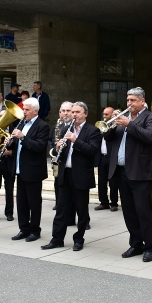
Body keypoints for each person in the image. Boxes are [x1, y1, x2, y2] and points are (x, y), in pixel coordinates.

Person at [104, 87, 152, 262]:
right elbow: (108, 138)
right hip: (121, 171)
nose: (129, 104)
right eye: (128, 100)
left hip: (140, 172)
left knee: (143, 211)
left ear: (142, 101)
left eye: (133, 100)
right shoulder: (123, 119)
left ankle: (149, 247)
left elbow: (151, 137)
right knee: (128, 211)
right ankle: (136, 244)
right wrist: (112, 124)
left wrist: (129, 125)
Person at [42, 102, 101, 250]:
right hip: (65, 174)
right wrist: (57, 148)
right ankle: (57, 239)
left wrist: (75, 140)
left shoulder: (92, 131)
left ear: (85, 114)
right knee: (61, 209)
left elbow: (93, 151)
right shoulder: (64, 128)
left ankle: (79, 239)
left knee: (81, 210)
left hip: (81, 175)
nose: (74, 115)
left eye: (77, 112)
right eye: (73, 112)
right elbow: (58, 153)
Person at [8, 98, 49, 242]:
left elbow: (39, 147)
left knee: (34, 203)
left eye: (26, 109)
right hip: (20, 169)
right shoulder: (22, 124)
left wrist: (22, 138)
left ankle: (35, 230)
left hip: (33, 171)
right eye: (23, 109)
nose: (23, 112)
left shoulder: (42, 126)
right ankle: (23, 229)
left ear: (35, 111)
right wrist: (10, 143)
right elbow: (18, 146)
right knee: (21, 202)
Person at [50, 101, 74, 210]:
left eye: (68, 111)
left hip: (72, 164)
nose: (65, 113)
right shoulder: (57, 127)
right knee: (58, 183)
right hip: (59, 160)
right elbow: (50, 141)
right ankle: (58, 203)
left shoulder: (75, 126)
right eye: (63, 111)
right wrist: (54, 150)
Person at [95, 107, 120, 212]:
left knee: (113, 181)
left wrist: (113, 123)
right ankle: (103, 202)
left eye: (107, 114)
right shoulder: (101, 125)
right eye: (104, 114)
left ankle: (114, 203)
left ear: (111, 115)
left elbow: (109, 137)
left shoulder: (116, 126)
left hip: (111, 157)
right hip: (102, 156)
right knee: (101, 181)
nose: (104, 116)